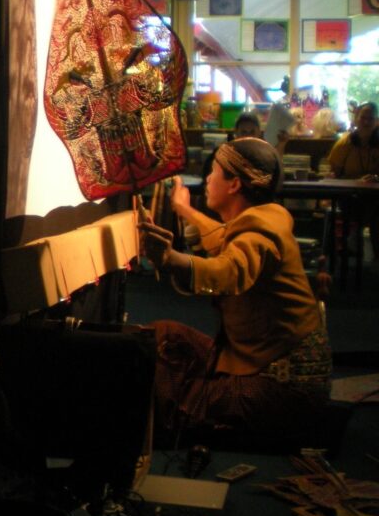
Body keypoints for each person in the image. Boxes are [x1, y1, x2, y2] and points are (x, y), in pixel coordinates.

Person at [139, 138, 332, 441]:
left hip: (282, 387)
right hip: (264, 360)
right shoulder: (264, 219)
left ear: (234, 185)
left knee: (177, 398)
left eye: (214, 171)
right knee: (161, 336)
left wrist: (169, 258)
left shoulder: (259, 233)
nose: (207, 178)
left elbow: (228, 271)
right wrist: (184, 210)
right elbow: (221, 237)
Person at [326, 101, 379, 259]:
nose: (366, 122)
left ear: (377, 121)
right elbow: (333, 172)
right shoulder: (344, 143)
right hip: (349, 198)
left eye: (371, 118)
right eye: (363, 117)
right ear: (356, 118)